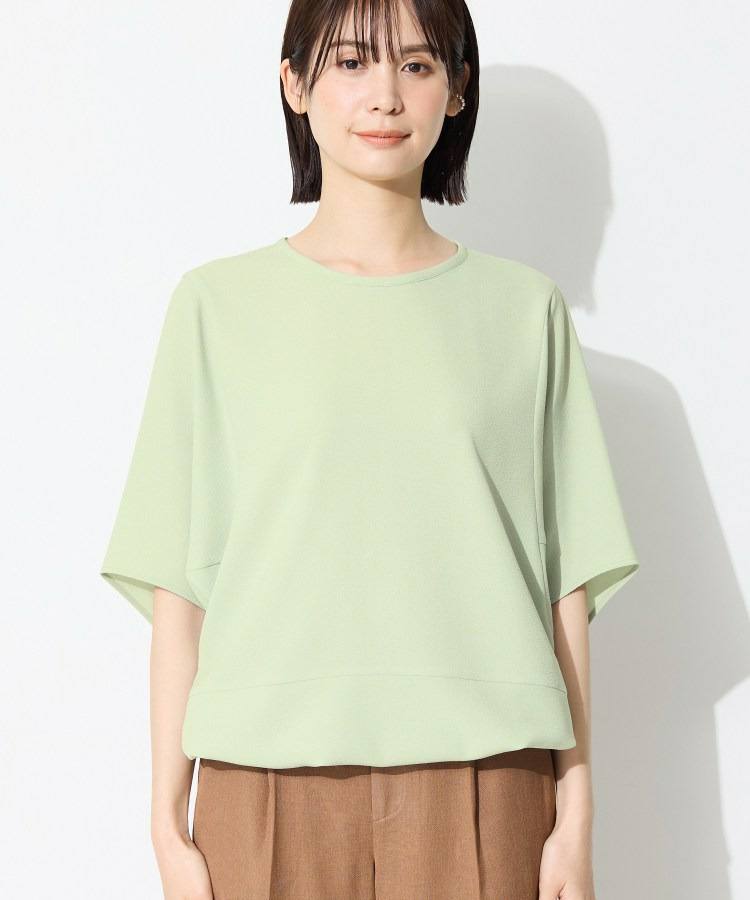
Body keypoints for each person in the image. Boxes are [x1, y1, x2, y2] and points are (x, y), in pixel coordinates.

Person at [99, 0, 640, 897]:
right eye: (351, 62)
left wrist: (576, 818)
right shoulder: (215, 307)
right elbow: (179, 590)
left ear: (457, 90)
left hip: (488, 774)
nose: (385, 94)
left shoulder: (525, 312)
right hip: (260, 782)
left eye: (418, 65)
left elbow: (564, 586)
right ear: (294, 83)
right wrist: (165, 823)